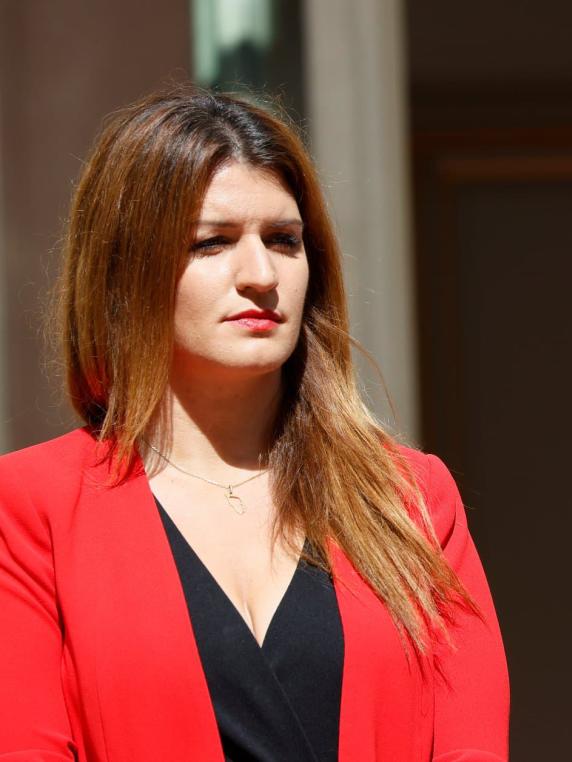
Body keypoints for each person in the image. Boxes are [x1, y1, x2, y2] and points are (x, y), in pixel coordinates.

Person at [0, 87, 508, 761]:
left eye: (284, 240)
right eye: (211, 243)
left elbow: (470, 746)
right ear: (126, 273)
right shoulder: (32, 507)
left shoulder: (408, 497)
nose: (261, 275)